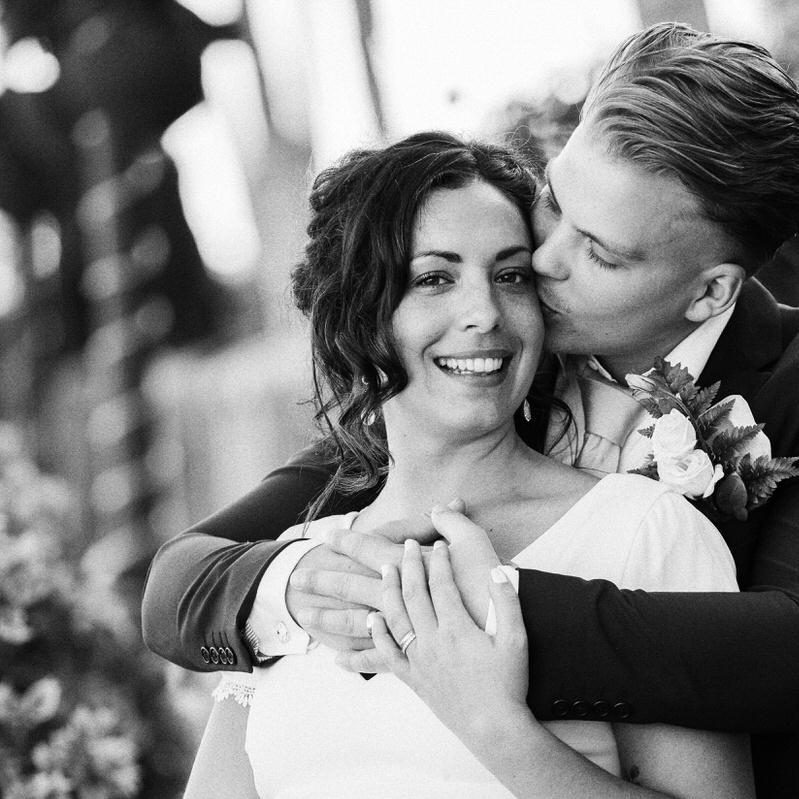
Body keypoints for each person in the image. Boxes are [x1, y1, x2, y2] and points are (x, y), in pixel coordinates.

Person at [142, 22, 799, 797]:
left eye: (598, 250)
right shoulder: (485, 367)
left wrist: (461, 610)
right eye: (553, 201)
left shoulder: (771, 401)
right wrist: (293, 584)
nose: (542, 259)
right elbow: (184, 579)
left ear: (710, 291)